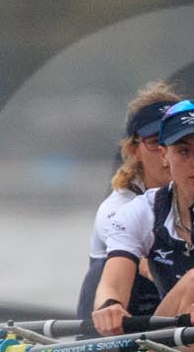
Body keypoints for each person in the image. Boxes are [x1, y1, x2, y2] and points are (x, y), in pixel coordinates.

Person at [90, 100, 194, 336]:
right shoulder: (142, 210)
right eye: (184, 151)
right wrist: (110, 305)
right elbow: (112, 281)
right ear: (164, 155)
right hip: (170, 335)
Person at [76, 83, 179, 321]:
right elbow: (148, 267)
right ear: (134, 149)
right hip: (116, 328)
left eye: (176, 142)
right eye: (156, 142)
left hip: (173, 318)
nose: (166, 153)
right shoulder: (116, 209)